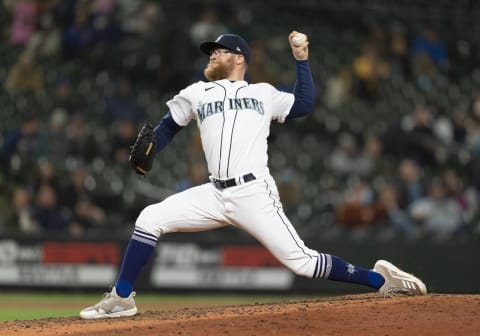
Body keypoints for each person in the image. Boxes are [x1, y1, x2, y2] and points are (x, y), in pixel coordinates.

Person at [80, 32, 427, 319]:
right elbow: (168, 127)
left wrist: (302, 59)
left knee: (303, 263)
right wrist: (153, 148)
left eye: (220, 51)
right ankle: (123, 297)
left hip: (253, 194)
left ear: (239, 58)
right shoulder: (196, 92)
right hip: (214, 194)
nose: (213, 55)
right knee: (150, 217)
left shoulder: (263, 93)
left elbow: (304, 104)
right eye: (211, 52)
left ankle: (380, 279)